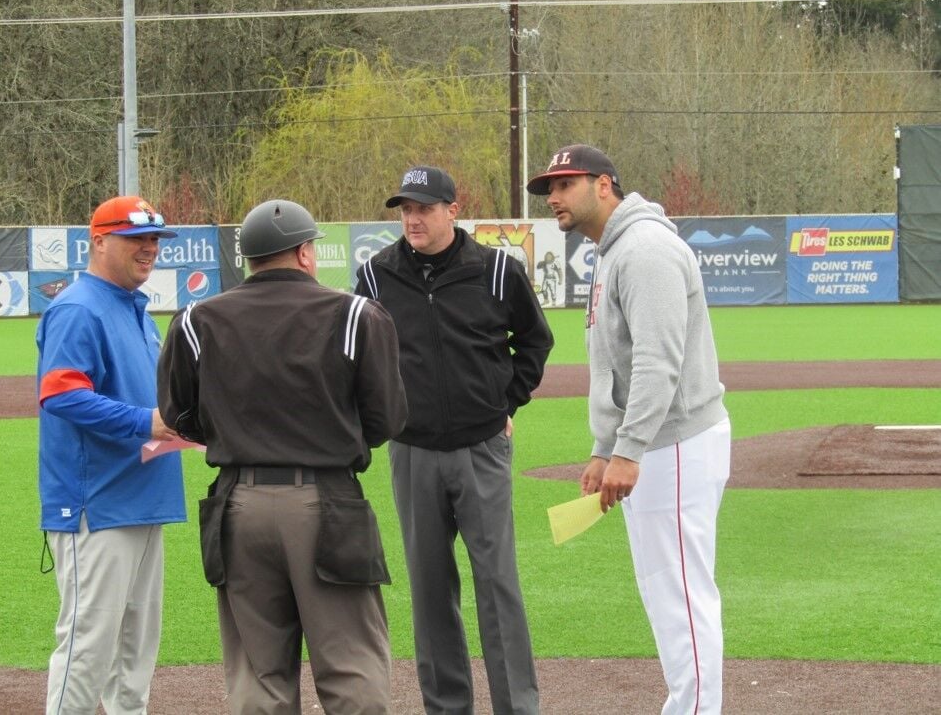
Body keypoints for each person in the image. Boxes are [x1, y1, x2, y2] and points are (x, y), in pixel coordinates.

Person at [158, 199, 407, 714]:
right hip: (327, 502)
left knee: (257, 675)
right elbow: (386, 419)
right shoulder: (355, 314)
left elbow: (179, 415)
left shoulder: (195, 320)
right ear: (304, 253)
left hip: (238, 506)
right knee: (351, 665)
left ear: (248, 258)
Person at [527, 144, 731, 715]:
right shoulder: (613, 251)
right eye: (549, 189)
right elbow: (617, 364)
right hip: (659, 445)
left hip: (676, 444)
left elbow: (656, 362)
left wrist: (629, 449)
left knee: (682, 597)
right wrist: (604, 447)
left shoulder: (643, 250)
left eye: (566, 184)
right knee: (668, 594)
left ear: (605, 185)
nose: (554, 198)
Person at [356, 166, 554, 715]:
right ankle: (446, 708)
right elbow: (361, 357)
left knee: (498, 585)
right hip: (412, 451)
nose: (412, 219)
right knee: (428, 586)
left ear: (452, 209)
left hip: (481, 449)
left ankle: (517, 706)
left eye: (423, 208)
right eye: (404, 209)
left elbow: (535, 341)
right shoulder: (376, 276)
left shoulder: (495, 271)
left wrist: (504, 402)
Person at [37, 195, 187, 714]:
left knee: (134, 662)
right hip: (96, 506)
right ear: (98, 241)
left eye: (154, 239)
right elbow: (60, 394)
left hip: (145, 496)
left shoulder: (134, 309)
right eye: (135, 238)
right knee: (87, 653)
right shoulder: (79, 307)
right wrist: (148, 421)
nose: (149, 248)